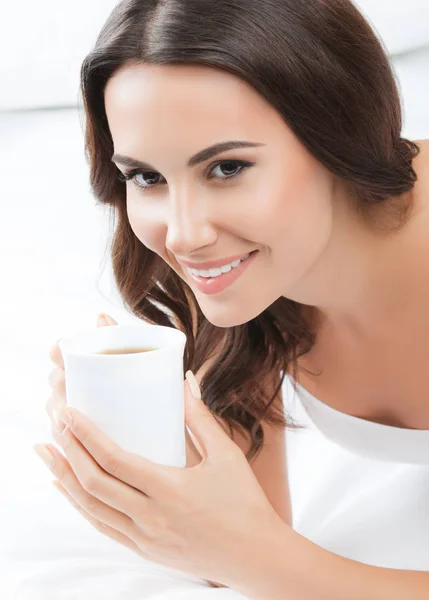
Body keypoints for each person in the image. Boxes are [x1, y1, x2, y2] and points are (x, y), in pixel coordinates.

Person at [47, 0, 429, 596]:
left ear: (339, 133)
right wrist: (153, 446)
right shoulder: (245, 275)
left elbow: (256, 556)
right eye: (147, 177)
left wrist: (257, 558)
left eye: (226, 168)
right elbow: (246, 537)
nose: (183, 234)